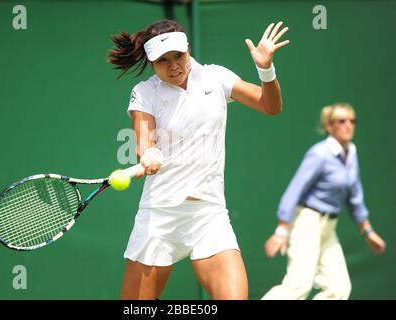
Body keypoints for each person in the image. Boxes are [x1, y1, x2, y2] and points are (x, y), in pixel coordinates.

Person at [107, 19, 289, 300]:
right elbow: (144, 142)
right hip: (160, 216)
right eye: (163, 61)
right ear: (151, 62)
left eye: (178, 56)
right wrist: (150, 152)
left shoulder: (216, 77)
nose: (173, 66)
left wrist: (266, 69)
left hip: (209, 214)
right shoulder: (144, 93)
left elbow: (270, 106)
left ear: (188, 50)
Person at [262, 103, 386, 300]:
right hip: (306, 223)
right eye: (341, 121)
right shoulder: (319, 154)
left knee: (338, 288)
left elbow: (355, 196)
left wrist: (367, 230)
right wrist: (281, 230)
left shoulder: (351, 153)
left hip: (329, 228)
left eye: (352, 121)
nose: (348, 125)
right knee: (298, 286)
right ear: (329, 126)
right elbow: (295, 189)